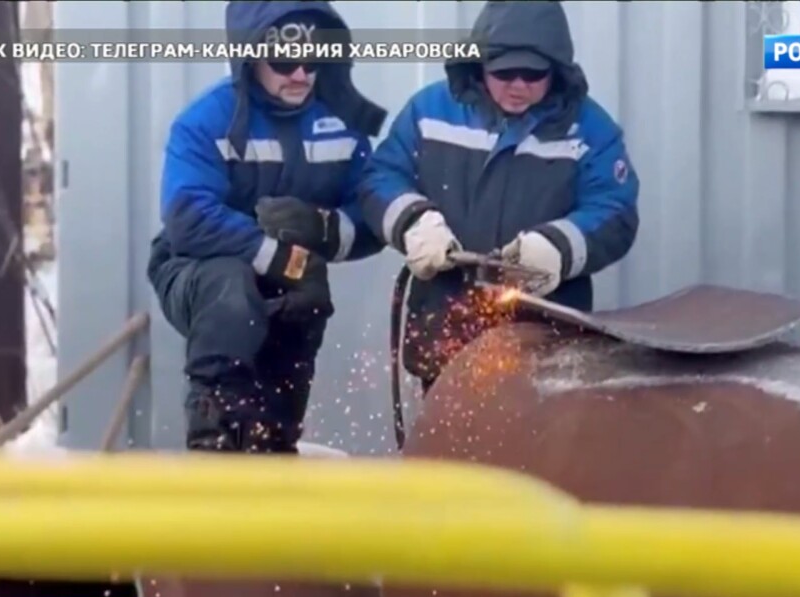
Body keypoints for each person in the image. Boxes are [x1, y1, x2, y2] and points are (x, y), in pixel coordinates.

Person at [359, 0, 640, 391]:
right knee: (450, 447)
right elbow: (380, 177)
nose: (519, 85)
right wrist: (413, 222)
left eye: (533, 73)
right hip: (446, 323)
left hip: (546, 336)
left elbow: (616, 209)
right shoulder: (430, 111)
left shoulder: (589, 130)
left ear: (556, 70)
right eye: (505, 72)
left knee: (538, 449)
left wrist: (558, 247)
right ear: (480, 66)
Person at [147, 0, 387, 453]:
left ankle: (274, 442)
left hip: (292, 279)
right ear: (250, 57)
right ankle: (215, 440)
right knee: (232, 288)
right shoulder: (205, 121)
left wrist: (324, 229)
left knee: (307, 301)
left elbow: (371, 213)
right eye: (283, 61)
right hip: (194, 271)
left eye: (311, 60)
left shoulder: (342, 126)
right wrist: (286, 258)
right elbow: (186, 218)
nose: (299, 74)